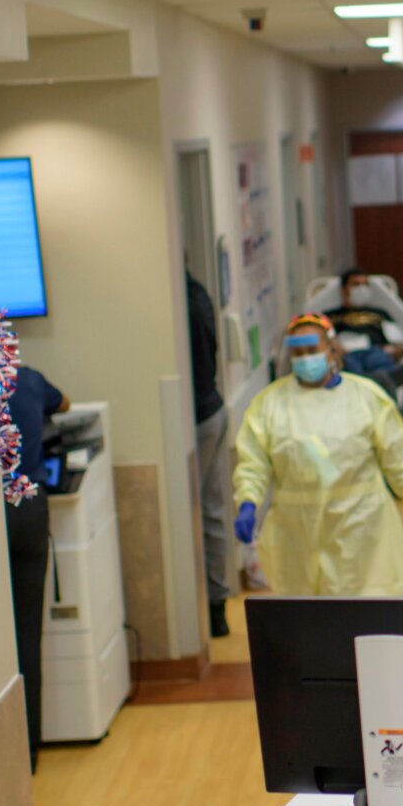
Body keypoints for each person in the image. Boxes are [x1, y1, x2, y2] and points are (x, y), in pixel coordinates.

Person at [232, 314, 403, 596]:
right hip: (298, 533)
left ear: (333, 349)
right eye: (298, 353)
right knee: (309, 619)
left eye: (312, 350)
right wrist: (247, 502)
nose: (305, 359)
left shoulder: (366, 397)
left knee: (366, 612)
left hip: (363, 530)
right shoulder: (270, 405)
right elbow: (253, 464)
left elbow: (397, 457)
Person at [5, 364, 67, 771]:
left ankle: (4, 755)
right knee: (28, 633)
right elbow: (64, 402)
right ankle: (28, 752)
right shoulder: (25, 377)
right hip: (29, 509)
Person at [187, 269, 231, 637]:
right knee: (212, 510)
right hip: (212, 410)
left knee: (193, 515)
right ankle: (218, 608)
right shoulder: (198, 292)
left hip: (197, 418)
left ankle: (207, 611)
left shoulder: (177, 301)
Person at [325, 267, 403, 398]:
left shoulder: (381, 314)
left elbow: (400, 347)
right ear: (344, 290)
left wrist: (394, 350)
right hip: (346, 354)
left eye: (365, 285)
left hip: (376, 351)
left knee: (377, 359)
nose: (362, 288)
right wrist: (335, 350)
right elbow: (321, 341)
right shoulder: (330, 316)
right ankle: (385, 379)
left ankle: (376, 379)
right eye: (356, 285)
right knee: (351, 365)